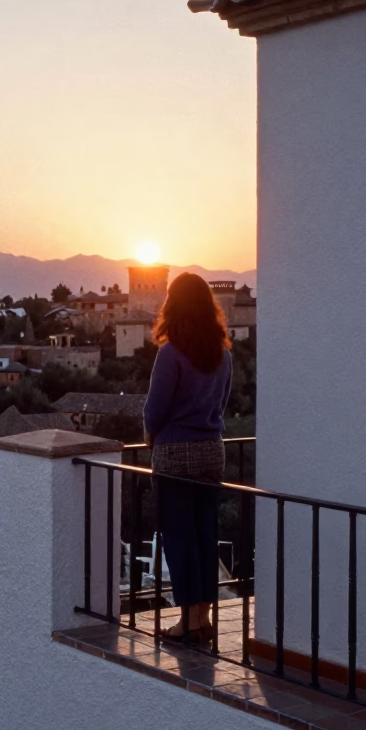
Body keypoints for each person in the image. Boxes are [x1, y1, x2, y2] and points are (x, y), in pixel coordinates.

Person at [142, 272, 232, 643]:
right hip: (213, 450)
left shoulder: (171, 354)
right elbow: (222, 404)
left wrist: (151, 440)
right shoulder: (223, 354)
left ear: (173, 305)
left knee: (179, 537)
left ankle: (188, 624)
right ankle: (204, 618)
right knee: (206, 535)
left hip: (176, 454)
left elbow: (154, 410)